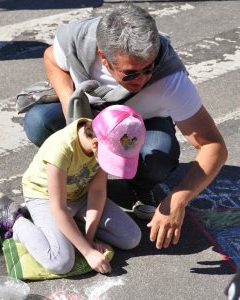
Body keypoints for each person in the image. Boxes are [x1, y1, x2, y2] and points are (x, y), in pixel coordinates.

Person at [22, 4, 227, 250]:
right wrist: (71, 109)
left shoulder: (170, 78)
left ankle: (139, 187)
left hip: (142, 122)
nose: (142, 80)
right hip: (91, 113)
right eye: (130, 74)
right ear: (103, 58)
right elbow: (51, 58)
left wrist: (177, 199)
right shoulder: (79, 40)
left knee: (158, 156)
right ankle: (72, 179)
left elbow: (213, 144)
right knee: (39, 121)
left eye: (148, 69)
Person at [0, 105, 145, 275]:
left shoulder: (107, 138)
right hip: (44, 197)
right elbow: (58, 208)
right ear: (94, 144)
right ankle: (12, 217)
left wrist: (88, 239)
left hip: (79, 194)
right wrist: (87, 252)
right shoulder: (61, 148)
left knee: (131, 238)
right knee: (60, 262)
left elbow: (97, 191)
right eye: (112, 160)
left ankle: (69, 226)